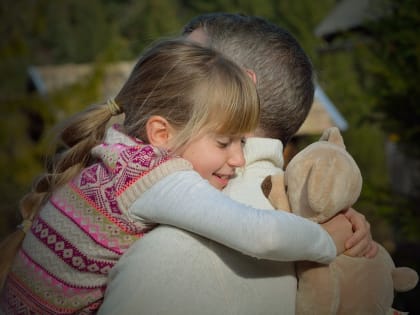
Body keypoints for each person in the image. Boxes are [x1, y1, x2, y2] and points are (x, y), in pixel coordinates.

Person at [0, 38, 352, 315]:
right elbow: (261, 234)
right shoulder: (157, 177)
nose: (239, 159)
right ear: (162, 133)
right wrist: (326, 240)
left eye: (242, 142)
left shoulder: (118, 149)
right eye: (224, 142)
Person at [97, 13, 377, 315]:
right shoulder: (323, 223)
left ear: (241, 85)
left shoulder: (169, 253)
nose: (163, 75)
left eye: (187, 62)